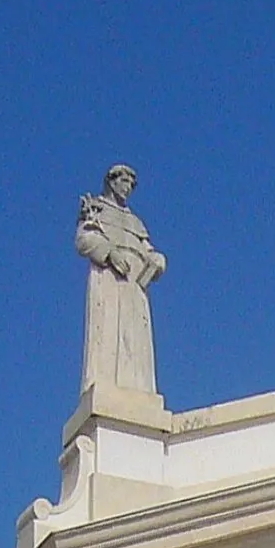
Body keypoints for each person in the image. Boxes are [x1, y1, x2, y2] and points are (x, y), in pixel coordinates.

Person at [76, 163, 165, 395]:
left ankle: (138, 390)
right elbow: (84, 238)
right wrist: (110, 253)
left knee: (134, 340)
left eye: (131, 185)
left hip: (135, 284)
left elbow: (147, 248)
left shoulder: (135, 221)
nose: (127, 188)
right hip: (109, 278)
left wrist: (156, 260)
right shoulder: (97, 209)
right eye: (124, 182)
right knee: (108, 332)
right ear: (112, 181)